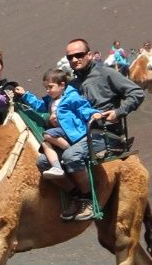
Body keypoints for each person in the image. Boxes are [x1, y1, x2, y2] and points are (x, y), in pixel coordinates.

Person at [18, 68, 97, 218]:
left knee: (48, 135)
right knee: (42, 157)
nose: (48, 91)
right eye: (46, 87)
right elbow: (39, 106)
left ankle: (88, 200)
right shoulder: (51, 100)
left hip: (74, 135)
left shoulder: (71, 97)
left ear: (62, 85)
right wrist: (25, 95)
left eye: (50, 87)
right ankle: (74, 193)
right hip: (61, 135)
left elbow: (84, 108)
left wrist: (95, 114)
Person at [64, 37, 145, 163]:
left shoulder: (106, 73)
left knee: (70, 156)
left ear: (89, 55)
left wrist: (118, 112)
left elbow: (137, 93)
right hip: (79, 134)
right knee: (43, 160)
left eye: (79, 55)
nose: (74, 60)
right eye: (70, 57)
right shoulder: (72, 85)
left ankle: (88, 183)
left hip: (106, 135)